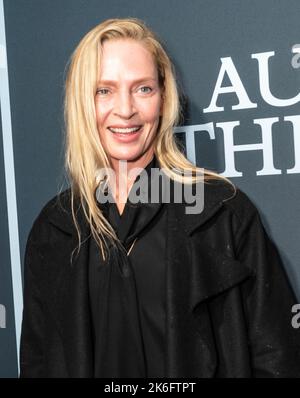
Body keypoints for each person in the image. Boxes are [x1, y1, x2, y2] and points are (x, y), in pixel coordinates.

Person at [20, 17, 300, 378]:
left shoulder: (221, 213)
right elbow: (38, 362)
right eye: (104, 90)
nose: (125, 110)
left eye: (143, 89)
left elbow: (277, 356)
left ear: (164, 97)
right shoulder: (55, 228)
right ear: (82, 103)